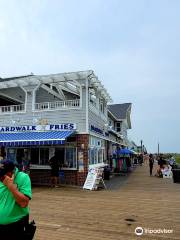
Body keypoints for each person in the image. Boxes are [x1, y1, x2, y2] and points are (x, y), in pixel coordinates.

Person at [0, 159, 32, 240]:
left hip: (16, 225)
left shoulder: (23, 177)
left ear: (11, 173)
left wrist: (11, 187)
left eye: (2, 173)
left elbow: (24, 203)